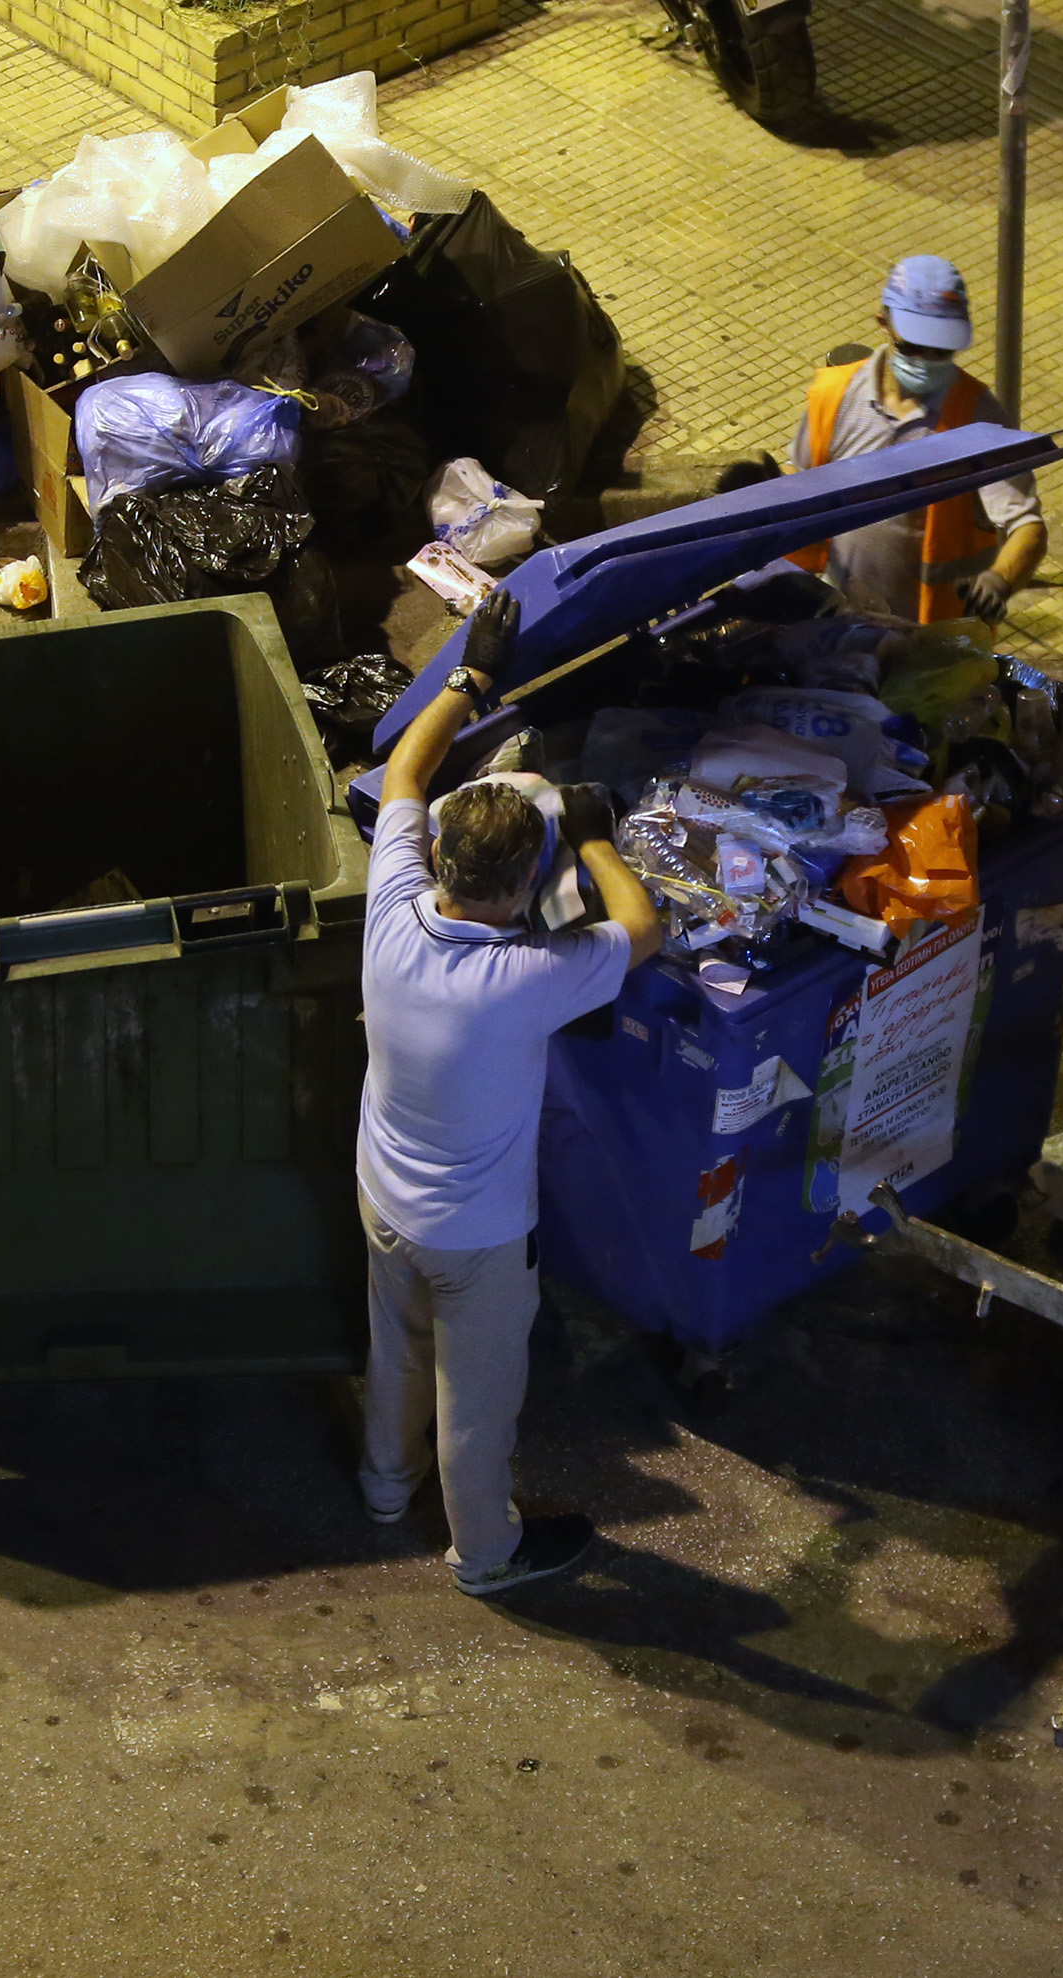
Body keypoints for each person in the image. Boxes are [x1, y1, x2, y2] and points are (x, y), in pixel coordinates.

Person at [358, 592, 664, 1596]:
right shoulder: (529, 978)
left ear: (440, 856)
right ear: (529, 877)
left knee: (396, 1356)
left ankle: (382, 1488)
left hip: (382, 1202)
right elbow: (643, 928)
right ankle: (486, 1554)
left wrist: (468, 677)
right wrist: (595, 834)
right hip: (476, 1240)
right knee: (477, 1403)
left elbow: (405, 767)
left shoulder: (393, 909)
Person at [784, 253, 1047, 624]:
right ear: (883, 324)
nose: (926, 360)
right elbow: (795, 484)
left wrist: (998, 582)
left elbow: (1028, 530)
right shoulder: (835, 395)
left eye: (941, 350)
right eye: (913, 346)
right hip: (835, 624)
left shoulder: (977, 420)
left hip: (932, 644)